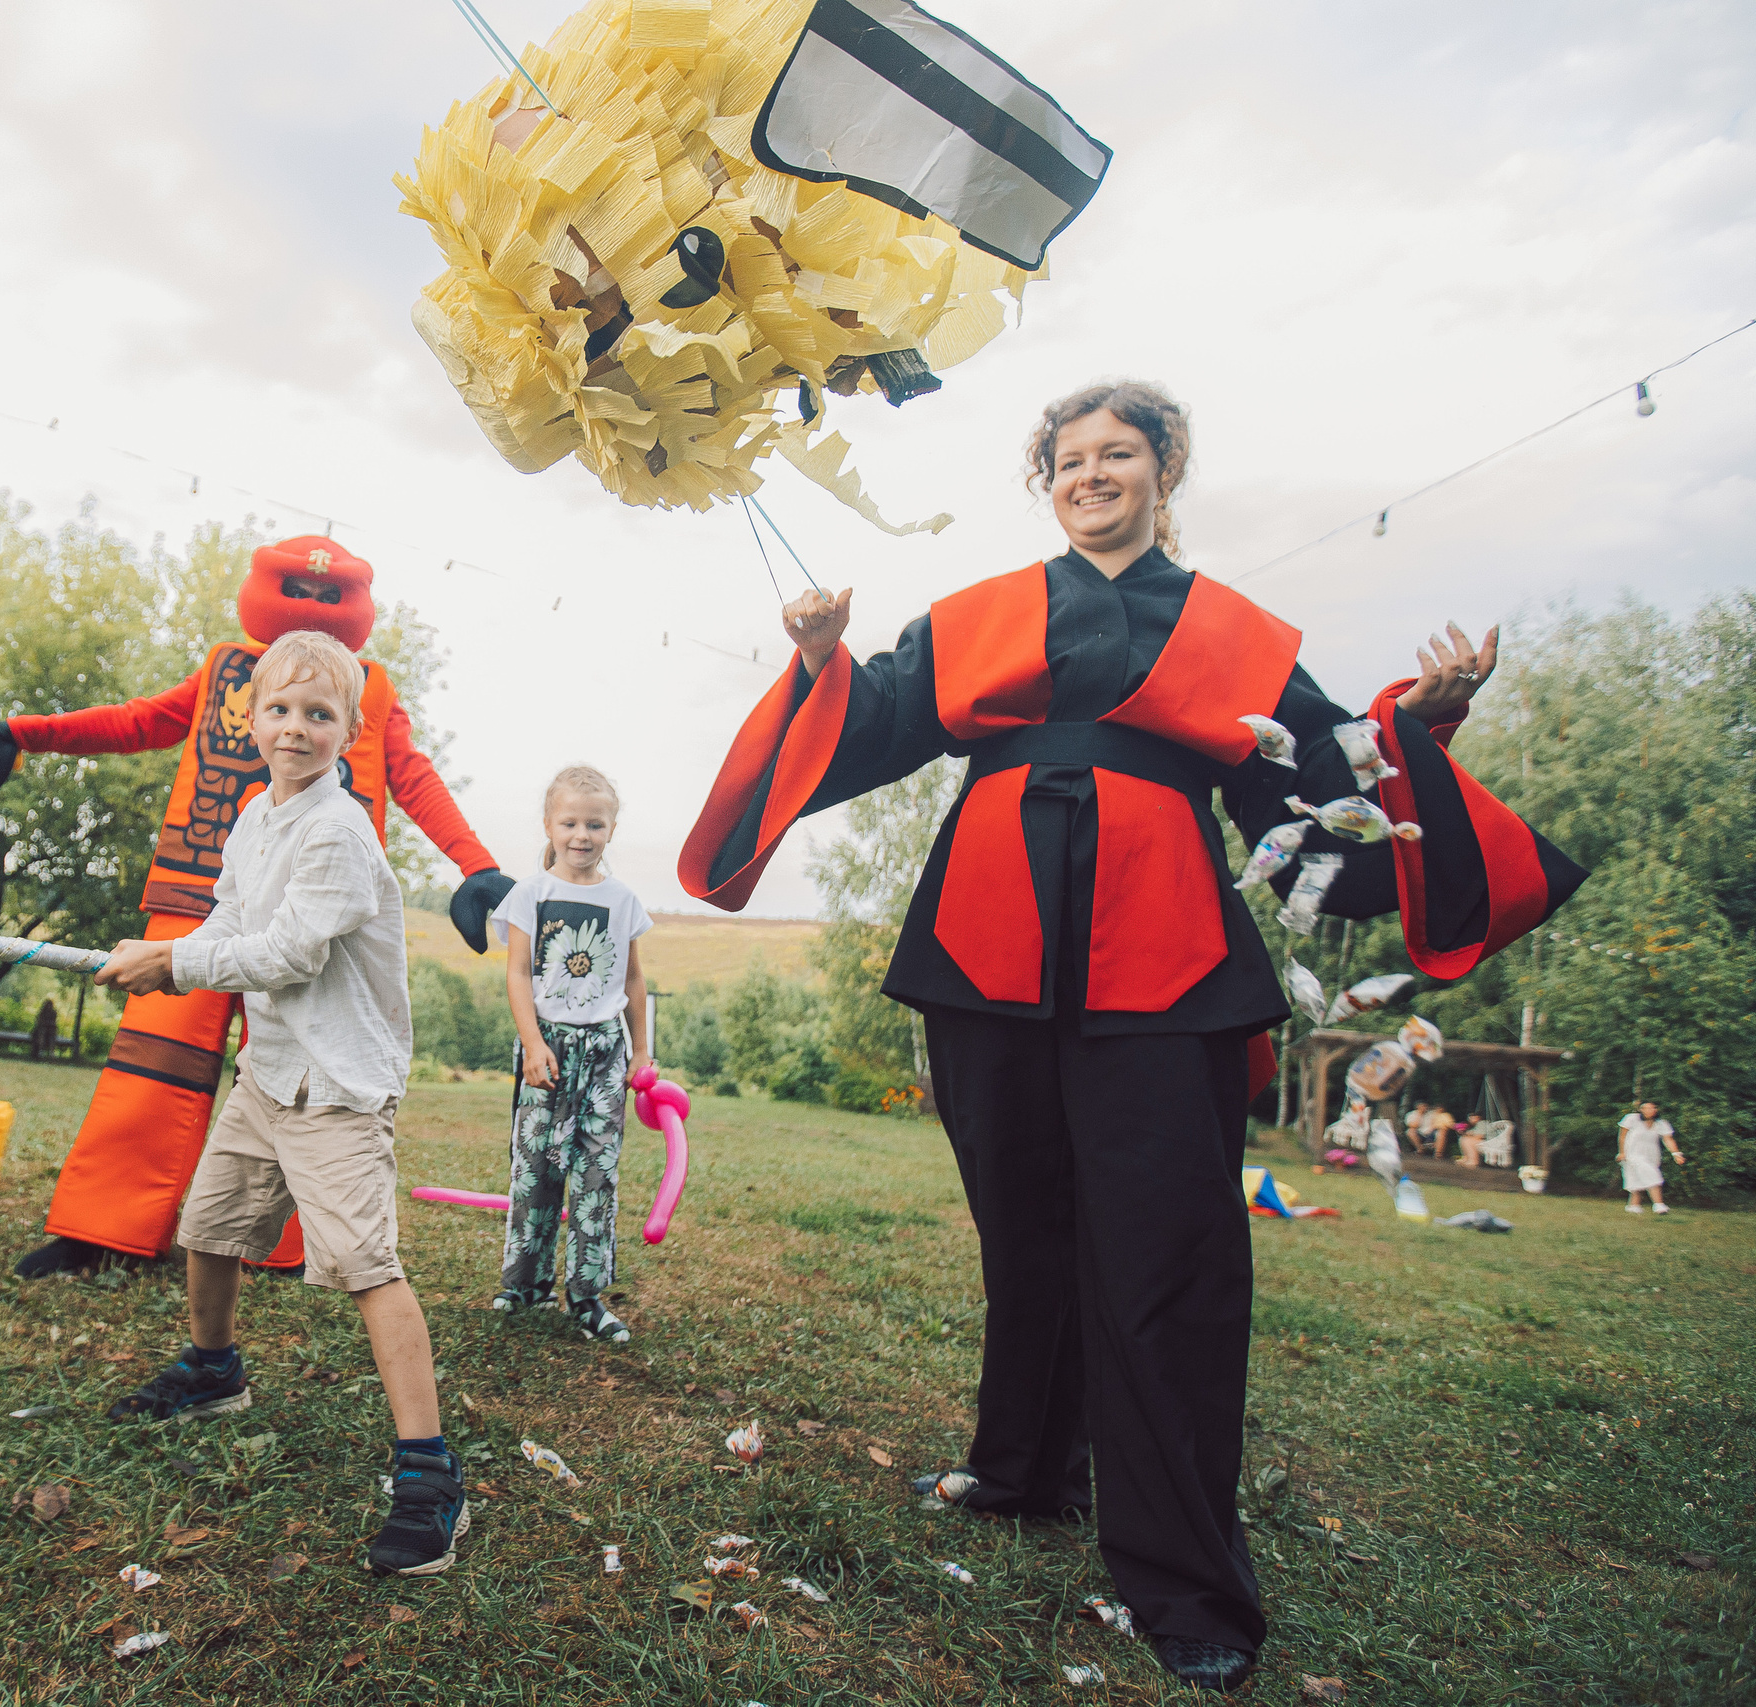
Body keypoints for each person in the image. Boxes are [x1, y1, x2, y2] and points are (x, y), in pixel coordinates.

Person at [677, 382, 1585, 1692]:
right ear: (1045, 479)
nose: (1091, 473)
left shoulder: (1235, 632)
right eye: (1069, 457)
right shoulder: (978, 615)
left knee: (1172, 1250)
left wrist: (1419, 726)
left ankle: (1187, 1577)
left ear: (1167, 471)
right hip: (985, 948)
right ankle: (1022, 1467)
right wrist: (820, 661)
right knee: (1027, 1222)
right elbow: (866, 730)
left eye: (1119, 454)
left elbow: (1321, 796)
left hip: (1165, 955)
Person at [0, 536, 510, 1278]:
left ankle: (277, 1242)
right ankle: (101, 1226)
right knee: (152, 1063)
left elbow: (412, 775)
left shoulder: (370, 689)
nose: (295, 723)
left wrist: (477, 865)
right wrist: (20, 735)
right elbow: (139, 720)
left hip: (316, 916)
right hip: (196, 895)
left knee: (308, 1072)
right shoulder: (223, 669)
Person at [95, 630, 465, 1578]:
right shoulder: (257, 815)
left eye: (321, 714)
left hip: (336, 1089)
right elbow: (232, 921)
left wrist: (170, 961)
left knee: (366, 1265)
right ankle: (215, 1372)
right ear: (247, 717)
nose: (297, 728)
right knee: (209, 1225)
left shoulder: (341, 832)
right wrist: (173, 950)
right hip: (268, 1074)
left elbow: (290, 952)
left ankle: (430, 1474)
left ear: (350, 731)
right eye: (281, 709)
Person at [490, 765, 653, 1340]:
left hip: (605, 1050)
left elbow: (634, 983)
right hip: (548, 1046)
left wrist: (641, 1053)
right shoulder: (529, 894)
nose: (581, 835)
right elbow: (515, 975)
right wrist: (532, 1044)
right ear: (549, 825)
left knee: (596, 1171)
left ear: (611, 830)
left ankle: (585, 1296)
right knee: (536, 1167)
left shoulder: (623, 900)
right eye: (570, 823)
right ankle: (523, 1283)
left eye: (595, 824)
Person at [1618, 1100, 1682, 1213]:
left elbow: (1668, 1139)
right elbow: (1622, 1136)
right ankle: (1659, 1205)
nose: (1649, 1111)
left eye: (1652, 1108)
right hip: (1632, 1154)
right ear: (1641, 1109)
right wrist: (1622, 1152)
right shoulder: (1632, 1119)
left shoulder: (1661, 1123)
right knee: (1652, 1175)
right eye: (1646, 1108)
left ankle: (1633, 1206)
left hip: (1652, 1155)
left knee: (1638, 1178)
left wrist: (1676, 1154)